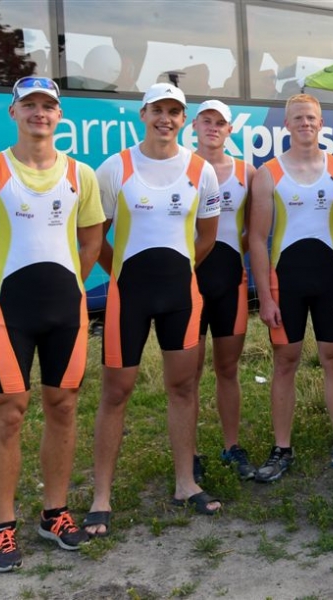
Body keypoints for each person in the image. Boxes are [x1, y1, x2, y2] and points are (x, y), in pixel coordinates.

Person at [0, 76, 105, 571]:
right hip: (10, 314)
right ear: (13, 112)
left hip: (66, 311)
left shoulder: (81, 175)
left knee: (63, 406)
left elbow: (90, 243)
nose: (39, 112)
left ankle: (54, 514)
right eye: (29, 105)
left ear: (59, 115)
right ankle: (3, 527)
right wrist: (0, 294)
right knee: (10, 413)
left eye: (48, 105)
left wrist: (70, 286)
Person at [84, 83, 222, 537]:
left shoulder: (200, 169)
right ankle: (101, 497)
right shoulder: (115, 168)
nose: (166, 118)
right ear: (143, 114)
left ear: (184, 119)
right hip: (129, 296)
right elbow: (94, 238)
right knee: (116, 393)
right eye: (158, 110)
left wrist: (179, 272)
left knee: (183, 387)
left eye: (174, 112)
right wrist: (121, 274)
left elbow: (206, 237)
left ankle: (185, 483)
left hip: (180, 295)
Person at [248, 93, 333, 482]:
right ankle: (281, 449)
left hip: (329, 281)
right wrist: (265, 297)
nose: (305, 123)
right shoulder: (268, 173)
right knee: (285, 361)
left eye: (311, 118)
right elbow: (257, 238)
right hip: (285, 281)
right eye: (298, 118)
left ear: (321, 124)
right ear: (286, 125)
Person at [190, 100, 256, 482]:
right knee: (189, 374)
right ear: (194, 126)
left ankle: (232, 446)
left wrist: (231, 257)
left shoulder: (247, 172)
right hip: (189, 283)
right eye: (206, 121)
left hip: (229, 280)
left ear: (231, 129)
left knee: (227, 369)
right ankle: (190, 452)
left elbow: (254, 231)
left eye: (220, 122)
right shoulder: (182, 167)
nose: (213, 127)